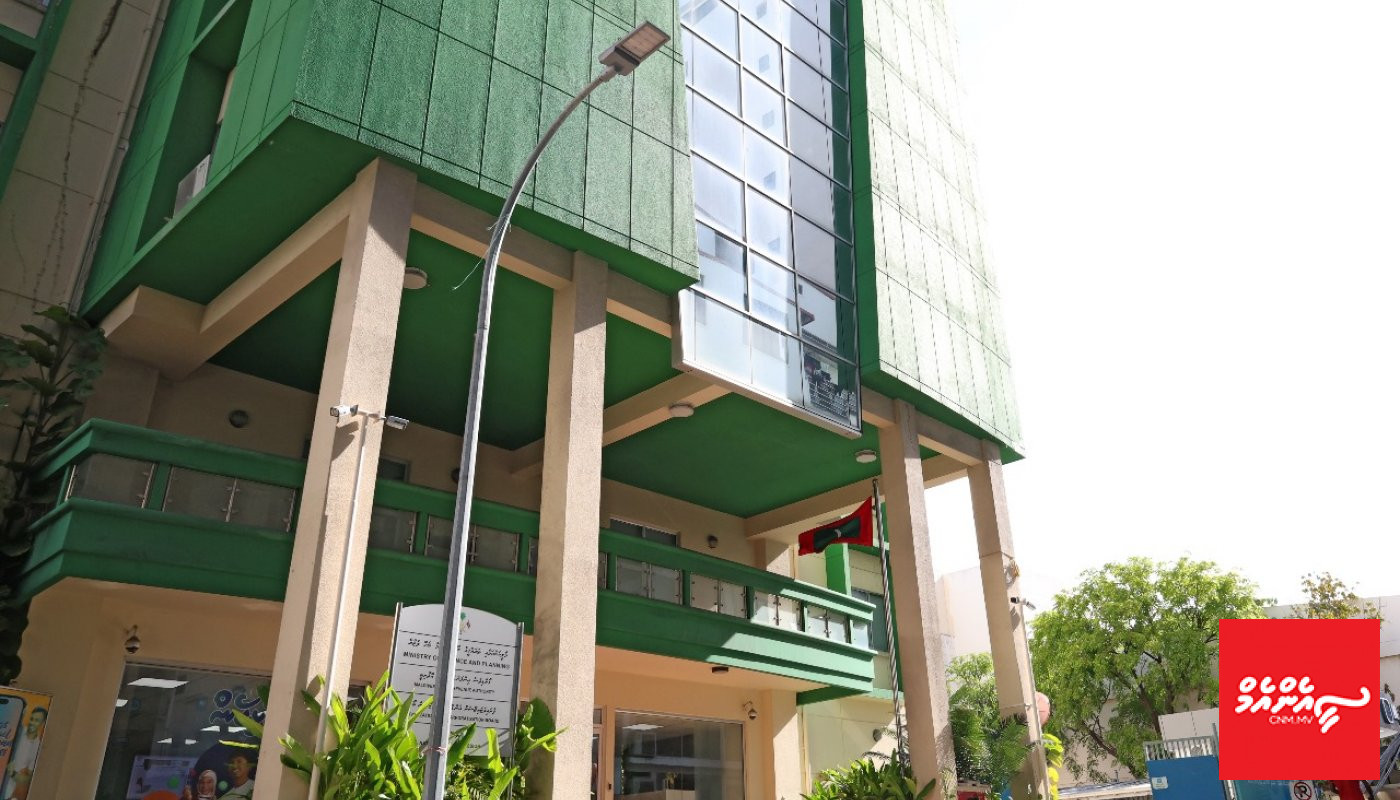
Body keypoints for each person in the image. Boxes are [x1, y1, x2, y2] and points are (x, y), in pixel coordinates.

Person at [1, 707, 47, 800]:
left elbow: (27, 779)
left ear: (42, 723)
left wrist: (12, 773)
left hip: (7, 788)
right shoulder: (18, 729)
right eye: (32, 719)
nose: (32, 722)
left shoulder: (37, 747)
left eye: (36, 720)